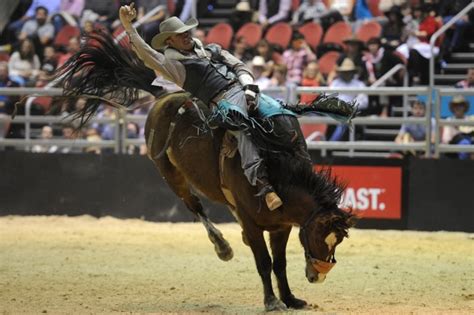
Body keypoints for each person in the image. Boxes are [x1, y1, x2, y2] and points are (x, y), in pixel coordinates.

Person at [119, 4, 283, 210]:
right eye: (180, 34)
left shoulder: (211, 49)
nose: (186, 35)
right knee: (243, 130)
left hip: (245, 89)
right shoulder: (174, 66)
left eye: (186, 31)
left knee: (281, 114)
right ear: (169, 40)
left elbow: (239, 66)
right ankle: (263, 185)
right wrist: (128, 26)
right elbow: (145, 53)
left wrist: (249, 87)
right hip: (221, 103)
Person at [327, 58, 368, 141]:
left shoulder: (359, 84)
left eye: (349, 72)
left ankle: (331, 144)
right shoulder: (335, 83)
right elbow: (328, 97)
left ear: (353, 72)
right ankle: (329, 143)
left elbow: (364, 101)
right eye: (345, 72)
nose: (347, 74)